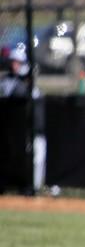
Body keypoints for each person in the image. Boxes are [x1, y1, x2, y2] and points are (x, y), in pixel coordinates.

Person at [0, 44, 45, 192]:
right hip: (13, 130)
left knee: (36, 160)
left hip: (31, 130)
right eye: (13, 61)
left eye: (18, 62)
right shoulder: (6, 83)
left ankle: (33, 188)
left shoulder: (32, 90)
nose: (14, 65)